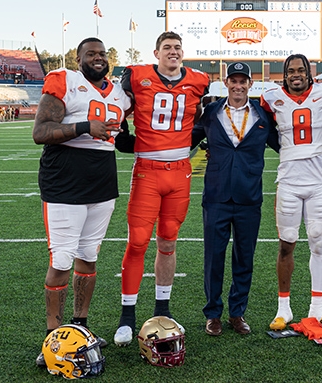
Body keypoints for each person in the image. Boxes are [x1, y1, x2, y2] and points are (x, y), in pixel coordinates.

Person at [32, 37, 131, 365]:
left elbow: (126, 140)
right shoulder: (65, 81)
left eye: (102, 53)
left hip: (102, 183)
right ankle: (53, 339)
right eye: (91, 54)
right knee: (62, 259)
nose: (98, 58)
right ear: (78, 59)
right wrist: (86, 126)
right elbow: (41, 132)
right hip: (65, 182)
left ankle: (80, 326)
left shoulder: (118, 93)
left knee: (88, 257)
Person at [114, 31, 210, 346]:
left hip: (180, 172)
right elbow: (116, 110)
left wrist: (194, 138)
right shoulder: (136, 76)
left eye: (177, 47)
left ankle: (162, 310)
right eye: (167, 47)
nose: (173, 51)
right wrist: (122, 136)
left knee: (168, 242)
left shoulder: (199, 81)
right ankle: (127, 316)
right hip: (147, 172)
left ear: (183, 53)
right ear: (156, 52)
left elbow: (202, 118)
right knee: (138, 242)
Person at [192, 62, 280, 336]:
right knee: (214, 257)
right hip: (217, 195)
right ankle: (213, 313)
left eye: (243, 81)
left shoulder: (264, 115)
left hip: (249, 197)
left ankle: (237, 312)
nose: (238, 86)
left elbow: (283, 145)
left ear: (250, 84)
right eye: (234, 81)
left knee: (245, 258)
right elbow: (188, 140)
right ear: (226, 83)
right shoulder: (210, 113)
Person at [260, 54, 322, 331]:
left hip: (318, 183)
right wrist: (285, 149)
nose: (296, 74)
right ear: (284, 75)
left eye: (301, 70)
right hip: (288, 182)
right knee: (286, 244)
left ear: (310, 74)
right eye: (291, 71)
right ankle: (283, 308)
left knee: (318, 243)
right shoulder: (271, 96)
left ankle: (318, 307)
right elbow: (264, 128)